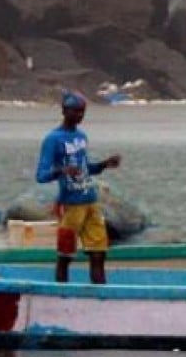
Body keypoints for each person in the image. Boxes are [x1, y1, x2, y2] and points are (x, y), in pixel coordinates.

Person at [36, 90, 122, 284]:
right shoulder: (53, 139)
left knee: (99, 253)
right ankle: (61, 292)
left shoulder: (81, 137)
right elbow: (41, 175)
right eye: (75, 111)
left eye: (82, 111)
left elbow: (85, 168)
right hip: (70, 205)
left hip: (90, 201)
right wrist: (62, 171)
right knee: (65, 255)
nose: (80, 116)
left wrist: (103, 164)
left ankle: (101, 294)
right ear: (64, 111)